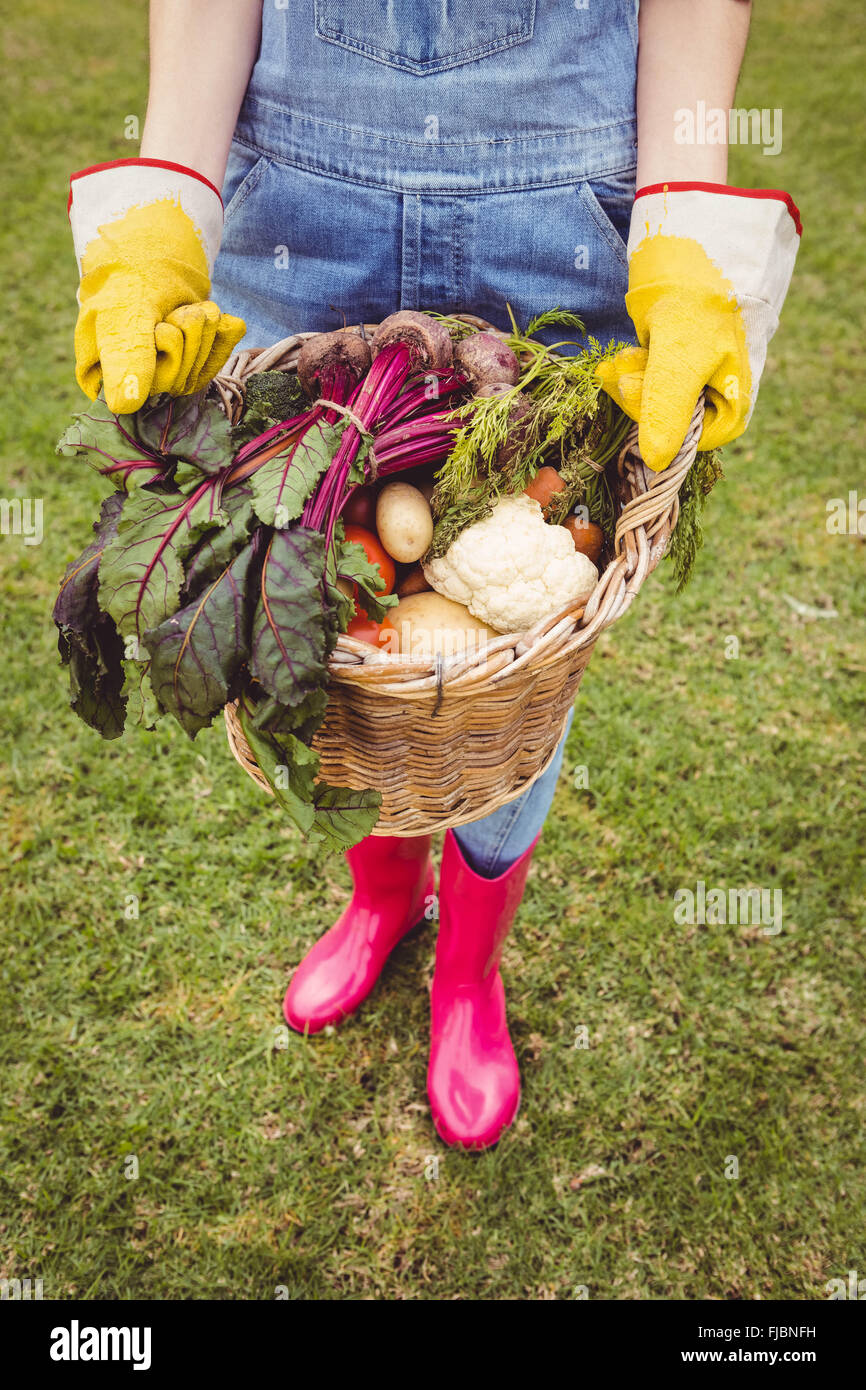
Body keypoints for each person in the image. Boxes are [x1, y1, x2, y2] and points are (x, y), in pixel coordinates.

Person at [68, 0, 799, 1149]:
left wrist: (683, 222)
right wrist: (164, 196)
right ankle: (379, 895)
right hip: (301, 194)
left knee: (516, 658)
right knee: (315, 621)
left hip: (557, 193)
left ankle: (466, 966)